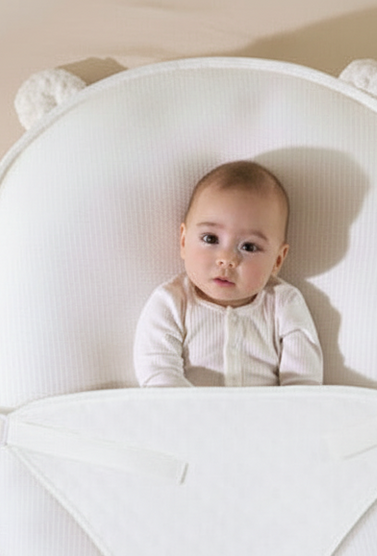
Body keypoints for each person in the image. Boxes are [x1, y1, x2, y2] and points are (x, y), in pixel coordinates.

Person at [133, 161, 322, 387]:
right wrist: (191, 415)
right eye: (210, 239)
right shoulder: (172, 301)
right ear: (184, 241)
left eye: (249, 247)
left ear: (277, 260)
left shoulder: (283, 303)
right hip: (190, 417)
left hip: (268, 419)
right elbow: (157, 371)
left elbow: (304, 381)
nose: (227, 259)